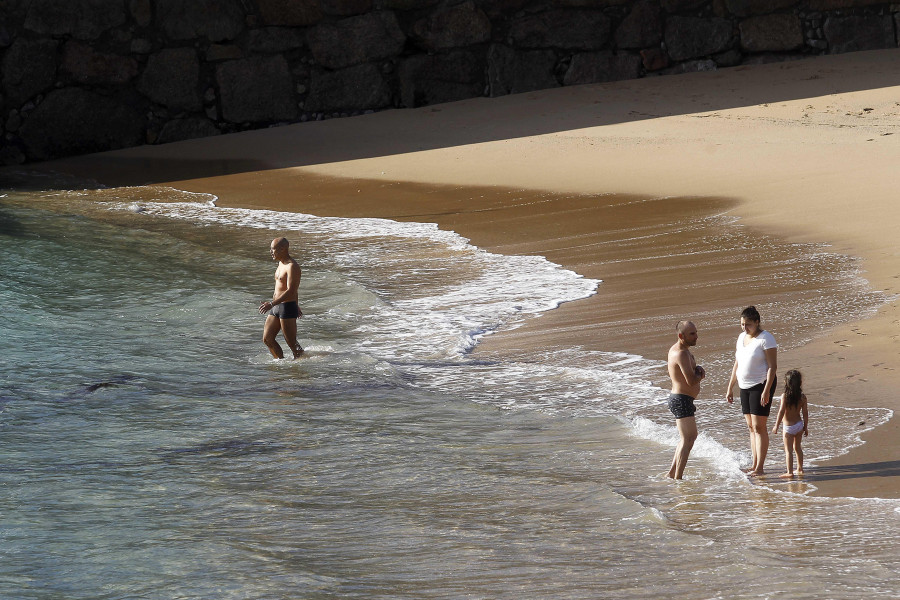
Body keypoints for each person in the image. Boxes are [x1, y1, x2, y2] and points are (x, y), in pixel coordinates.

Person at [725, 306, 777, 476]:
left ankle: (760, 468)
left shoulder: (766, 338)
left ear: (757, 322)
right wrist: (730, 387)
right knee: (750, 426)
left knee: (759, 426)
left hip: (761, 384)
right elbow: (737, 364)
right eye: (742, 324)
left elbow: (772, 367)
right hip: (744, 385)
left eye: (748, 324)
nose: (744, 328)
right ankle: (754, 465)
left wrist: (767, 390)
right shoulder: (741, 338)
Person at [666, 320, 706, 480]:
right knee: (688, 438)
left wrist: (697, 370)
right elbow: (691, 380)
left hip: (683, 399)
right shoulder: (680, 353)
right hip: (680, 399)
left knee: (688, 438)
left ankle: (672, 474)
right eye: (692, 334)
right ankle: (678, 478)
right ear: (681, 336)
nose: (696, 336)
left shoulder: (684, 350)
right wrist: (700, 375)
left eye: (696, 332)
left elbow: (687, 374)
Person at [258, 237, 304, 359]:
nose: (271, 252)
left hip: (287, 307)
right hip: (276, 305)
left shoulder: (292, 266)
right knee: (267, 339)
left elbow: (292, 290)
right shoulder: (280, 263)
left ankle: (301, 364)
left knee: (292, 344)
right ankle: (280, 364)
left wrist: (273, 304)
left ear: (283, 249)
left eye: (273, 249)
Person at [771, 369, 809, 478]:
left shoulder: (785, 396)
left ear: (786, 383)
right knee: (798, 448)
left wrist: (776, 426)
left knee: (788, 451)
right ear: (800, 383)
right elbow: (805, 413)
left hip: (788, 427)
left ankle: (790, 472)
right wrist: (805, 427)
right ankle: (800, 469)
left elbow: (781, 411)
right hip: (799, 425)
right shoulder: (803, 397)